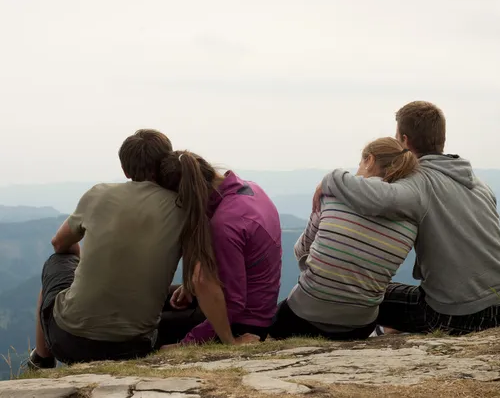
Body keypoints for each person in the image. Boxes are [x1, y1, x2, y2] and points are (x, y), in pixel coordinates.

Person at [313, 101, 500, 336]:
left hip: (459, 315)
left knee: (362, 297)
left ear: (404, 140)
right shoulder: (477, 182)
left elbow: (377, 198)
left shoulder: (419, 183)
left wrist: (331, 179)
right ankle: (390, 332)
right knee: (402, 298)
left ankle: (374, 337)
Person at [27, 129, 186, 369]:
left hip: (69, 342)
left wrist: (78, 264)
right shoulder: (181, 206)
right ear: (165, 162)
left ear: (125, 169)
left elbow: (59, 243)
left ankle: (42, 359)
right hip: (136, 346)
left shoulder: (98, 194)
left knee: (56, 262)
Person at [270, 137, 419, 340]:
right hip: (360, 325)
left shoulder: (332, 195)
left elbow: (300, 250)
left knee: (271, 323)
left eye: (360, 163)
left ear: (370, 160)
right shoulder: (411, 217)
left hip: (303, 314)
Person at [155, 150, 282, 347]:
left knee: (151, 325)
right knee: (158, 297)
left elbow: (234, 303)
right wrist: (191, 288)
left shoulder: (225, 225)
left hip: (245, 321)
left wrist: (186, 344)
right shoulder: (250, 188)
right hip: (258, 305)